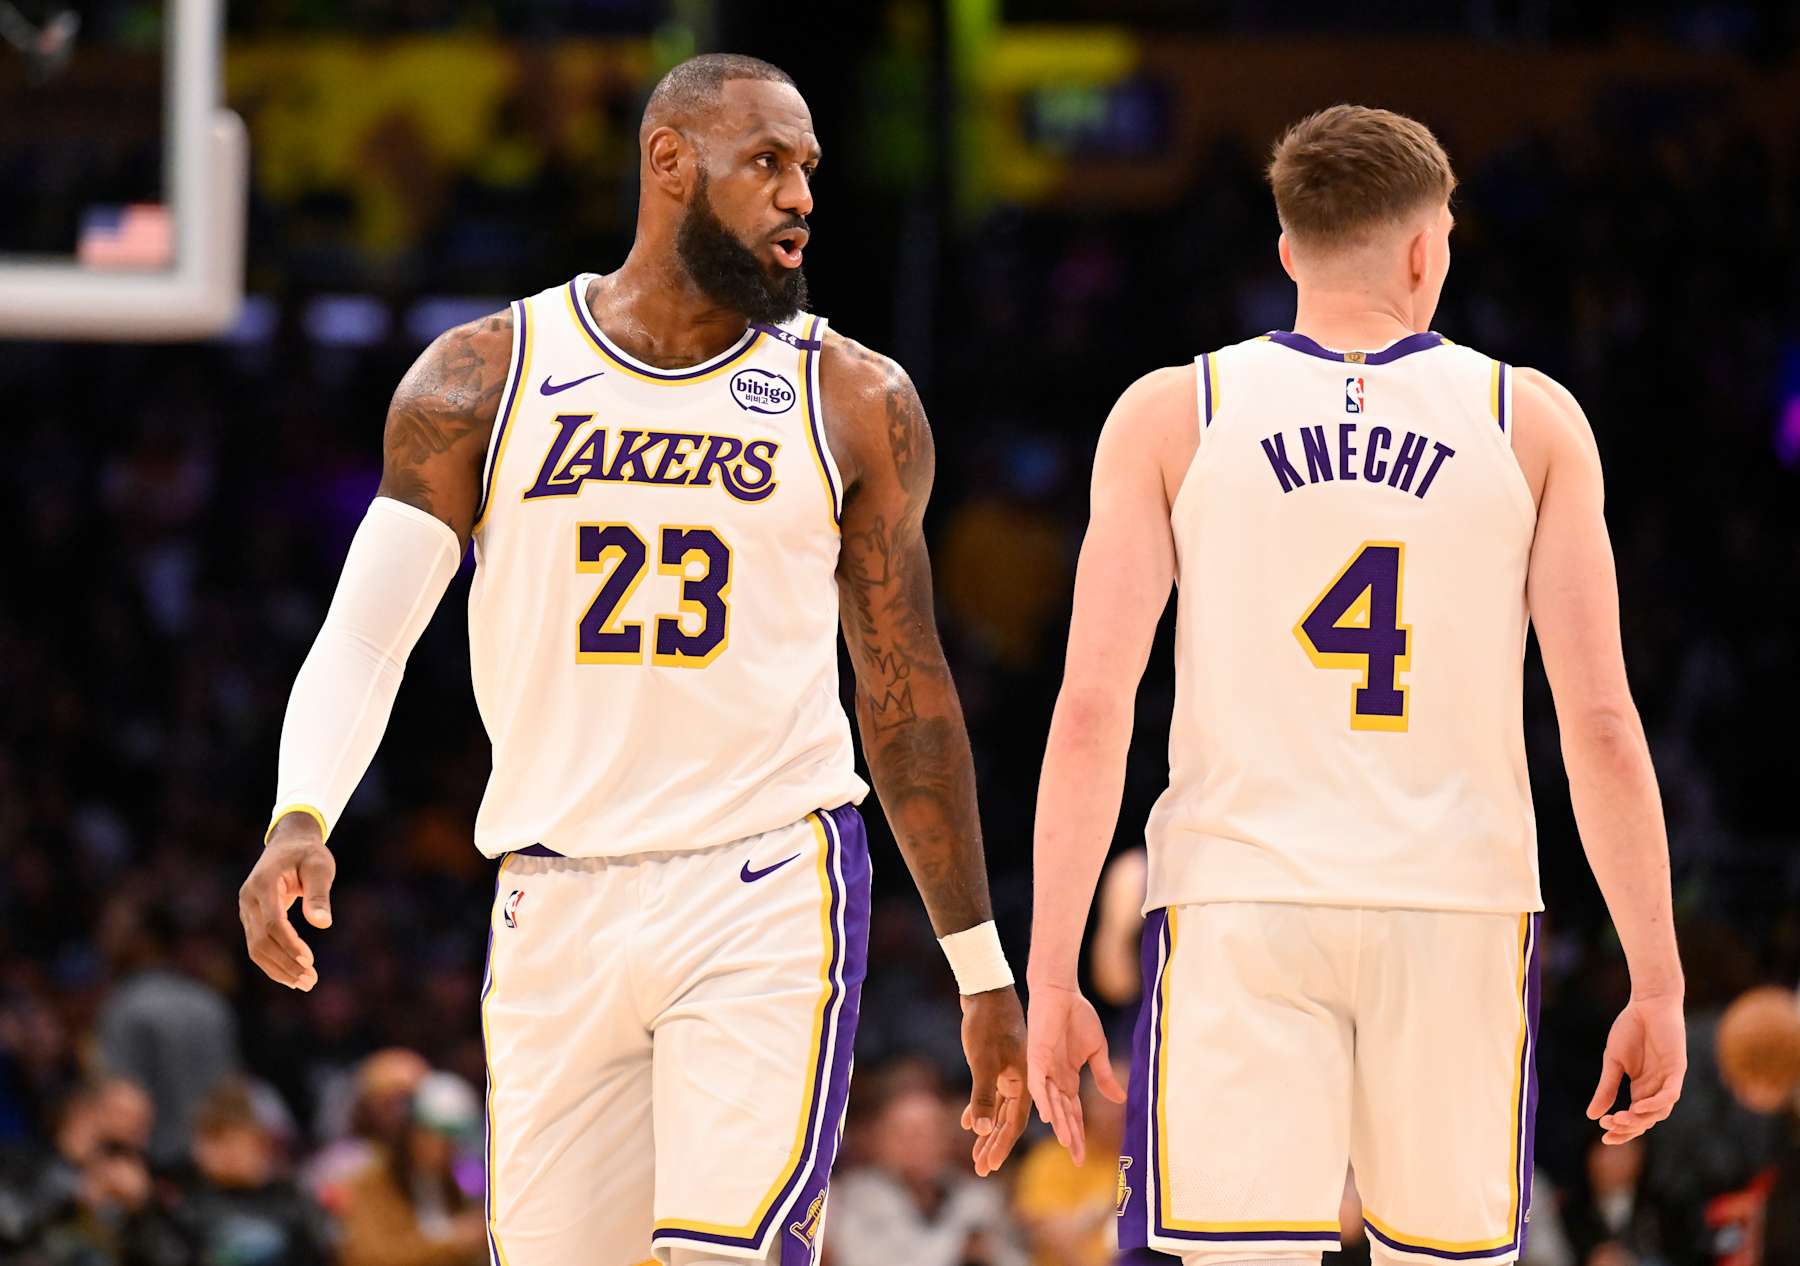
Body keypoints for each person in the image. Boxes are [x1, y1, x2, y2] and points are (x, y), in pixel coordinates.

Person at [236, 51, 1028, 1265]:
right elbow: (366, 632)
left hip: (762, 881)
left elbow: (906, 692)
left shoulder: (853, 397)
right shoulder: (480, 377)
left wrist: (979, 964)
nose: (801, 196)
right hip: (552, 894)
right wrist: (302, 810)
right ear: (671, 164)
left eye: (809, 169)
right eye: (767, 162)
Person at [1025, 104, 1686, 1265]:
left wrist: (1053, 971)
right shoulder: (1527, 419)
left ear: (1288, 250)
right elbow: (1600, 722)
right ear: (1429, 247)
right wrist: (1658, 974)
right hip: (1458, 902)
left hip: (1240, 901)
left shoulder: (1173, 412)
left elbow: (1089, 713)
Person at [825, 1079, 1027, 1266]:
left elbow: (1017, 1259)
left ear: (947, 1139)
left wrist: (989, 1251)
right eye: (904, 1134)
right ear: (880, 1141)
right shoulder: (856, 1195)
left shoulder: (980, 1196)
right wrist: (961, 1245)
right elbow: (862, 1260)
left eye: (927, 1133)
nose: (916, 1144)